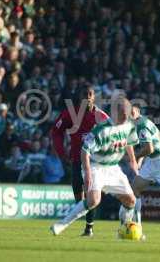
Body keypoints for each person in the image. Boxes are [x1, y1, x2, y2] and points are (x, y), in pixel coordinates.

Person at [50, 97, 139, 236]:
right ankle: (60, 225)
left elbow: (129, 142)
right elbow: (84, 150)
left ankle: (123, 230)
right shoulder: (101, 130)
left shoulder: (128, 125)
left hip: (113, 168)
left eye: (127, 114)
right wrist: (87, 173)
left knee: (131, 201)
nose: (126, 117)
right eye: (123, 114)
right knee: (93, 200)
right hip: (95, 167)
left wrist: (133, 160)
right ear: (115, 112)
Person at [51, 84, 109, 237]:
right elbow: (56, 132)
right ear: (80, 97)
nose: (88, 97)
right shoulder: (70, 114)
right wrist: (62, 153)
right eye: (85, 94)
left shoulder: (101, 117)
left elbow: (113, 135)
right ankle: (85, 219)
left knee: (90, 193)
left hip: (95, 163)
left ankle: (89, 228)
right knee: (79, 195)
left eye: (90, 94)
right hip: (76, 159)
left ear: (94, 97)